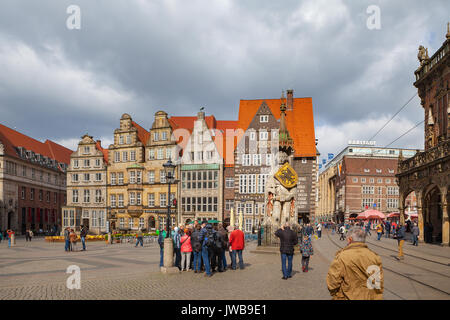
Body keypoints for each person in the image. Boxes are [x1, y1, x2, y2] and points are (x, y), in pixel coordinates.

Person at [327, 226, 383, 300]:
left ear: (350, 239)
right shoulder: (375, 257)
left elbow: (332, 283)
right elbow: (377, 284)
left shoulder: (342, 257)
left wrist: (337, 295)